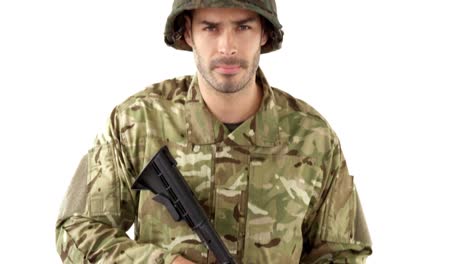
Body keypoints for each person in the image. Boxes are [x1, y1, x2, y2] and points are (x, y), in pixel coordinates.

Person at [56, 1, 372, 263]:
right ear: (188, 33)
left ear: (264, 33)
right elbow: (76, 230)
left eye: (243, 26)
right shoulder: (138, 122)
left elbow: (344, 252)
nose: (227, 46)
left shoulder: (312, 137)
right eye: (210, 27)